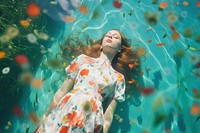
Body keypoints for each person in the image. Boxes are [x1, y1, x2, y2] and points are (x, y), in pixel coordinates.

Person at [34, 29, 141, 133]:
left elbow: (109, 113)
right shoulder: (82, 59)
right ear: (101, 44)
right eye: (108, 35)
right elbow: (62, 90)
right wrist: (45, 115)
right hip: (67, 107)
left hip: (91, 118)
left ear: (119, 49)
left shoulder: (118, 78)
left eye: (116, 37)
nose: (110, 36)